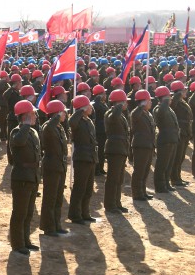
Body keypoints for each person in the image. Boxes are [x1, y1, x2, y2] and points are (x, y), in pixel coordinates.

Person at [8, 101, 41, 255]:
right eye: (33, 114)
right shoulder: (16, 132)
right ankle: (17, 243)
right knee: (19, 212)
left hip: (32, 175)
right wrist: (26, 125)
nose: (35, 116)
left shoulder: (32, 132)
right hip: (21, 176)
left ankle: (26, 240)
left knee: (28, 212)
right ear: (26, 116)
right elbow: (19, 141)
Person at [39, 100, 69, 236]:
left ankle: (56, 224)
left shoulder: (59, 127)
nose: (65, 114)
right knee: (50, 198)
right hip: (51, 166)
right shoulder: (48, 127)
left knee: (58, 198)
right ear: (56, 114)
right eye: (63, 112)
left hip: (60, 166)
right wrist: (56, 115)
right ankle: (48, 227)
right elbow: (49, 129)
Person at [68, 95, 98, 223]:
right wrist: (80, 110)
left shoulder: (88, 120)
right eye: (88, 105)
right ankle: (75, 215)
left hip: (90, 157)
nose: (91, 107)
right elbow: (71, 122)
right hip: (82, 157)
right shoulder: (77, 121)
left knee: (88, 188)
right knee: (79, 188)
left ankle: (85, 212)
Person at [103, 90, 130, 213]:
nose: (126, 104)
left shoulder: (120, 114)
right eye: (124, 102)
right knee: (113, 179)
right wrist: (118, 106)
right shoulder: (111, 114)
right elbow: (113, 117)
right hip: (115, 149)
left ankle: (117, 202)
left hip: (121, 148)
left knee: (119, 178)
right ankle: (110, 205)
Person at [129, 90, 156, 201]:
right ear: (143, 102)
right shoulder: (136, 112)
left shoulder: (147, 113)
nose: (151, 103)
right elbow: (134, 116)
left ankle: (142, 191)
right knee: (139, 170)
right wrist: (141, 107)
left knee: (145, 170)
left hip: (148, 145)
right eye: (149, 101)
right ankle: (137, 193)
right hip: (140, 145)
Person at [152, 86, 179, 194]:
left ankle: (166, 183)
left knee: (169, 164)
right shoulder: (158, 108)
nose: (171, 98)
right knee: (162, 164)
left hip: (172, 138)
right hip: (164, 139)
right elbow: (161, 113)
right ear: (164, 98)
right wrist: (165, 101)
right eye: (169, 96)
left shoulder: (168, 108)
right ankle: (160, 186)